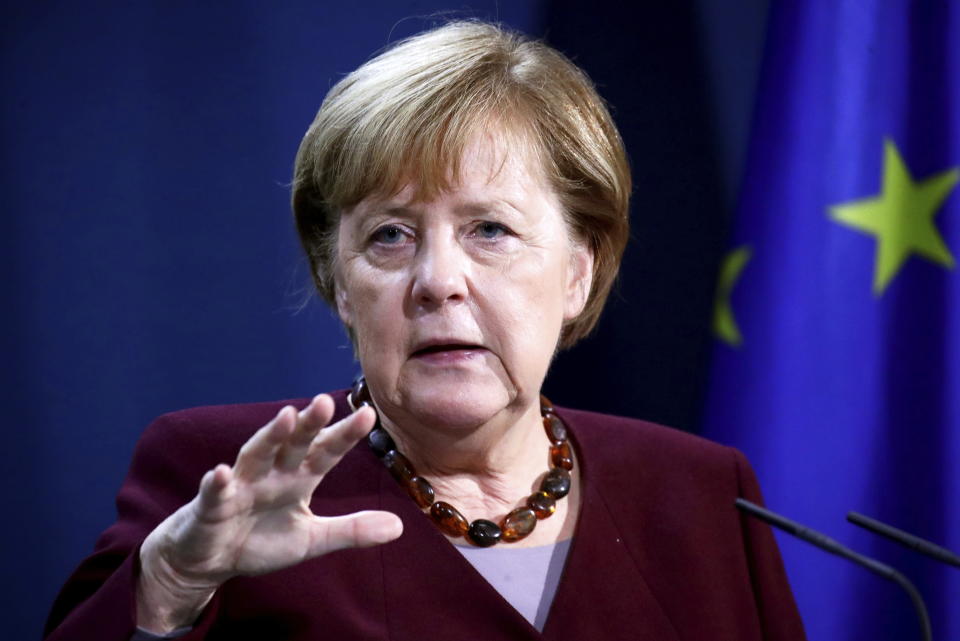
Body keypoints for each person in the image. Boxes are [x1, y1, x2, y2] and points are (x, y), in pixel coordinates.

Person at [44, 21, 806, 641]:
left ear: (577, 272)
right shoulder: (222, 477)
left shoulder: (702, 495)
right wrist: (172, 586)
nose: (438, 280)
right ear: (340, 282)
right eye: (390, 237)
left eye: (489, 229)